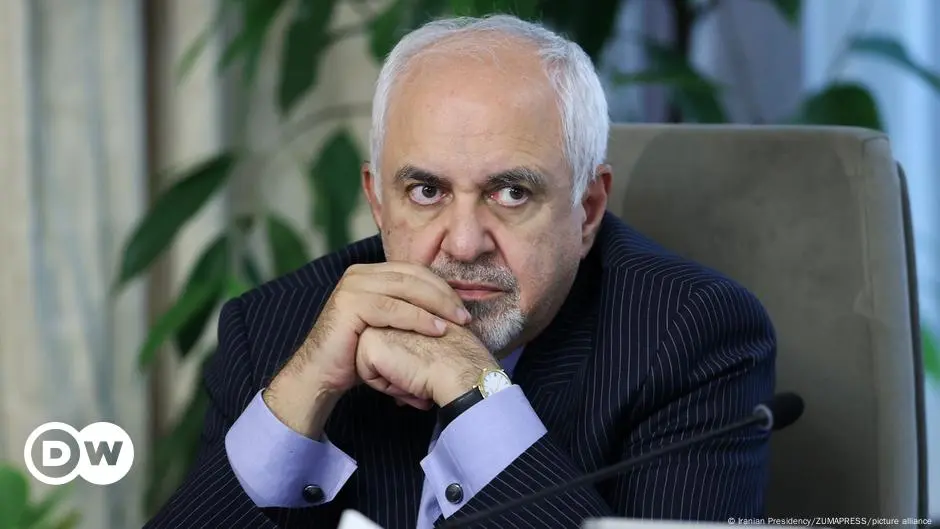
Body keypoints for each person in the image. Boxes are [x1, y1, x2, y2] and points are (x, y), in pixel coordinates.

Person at [144, 13, 776, 529]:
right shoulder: (272, 328)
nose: (466, 243)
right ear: (378, 203)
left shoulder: (690, 335)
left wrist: (478, 393)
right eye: (426, 192)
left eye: (511, 193)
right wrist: (300, 396)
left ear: (587, 210)